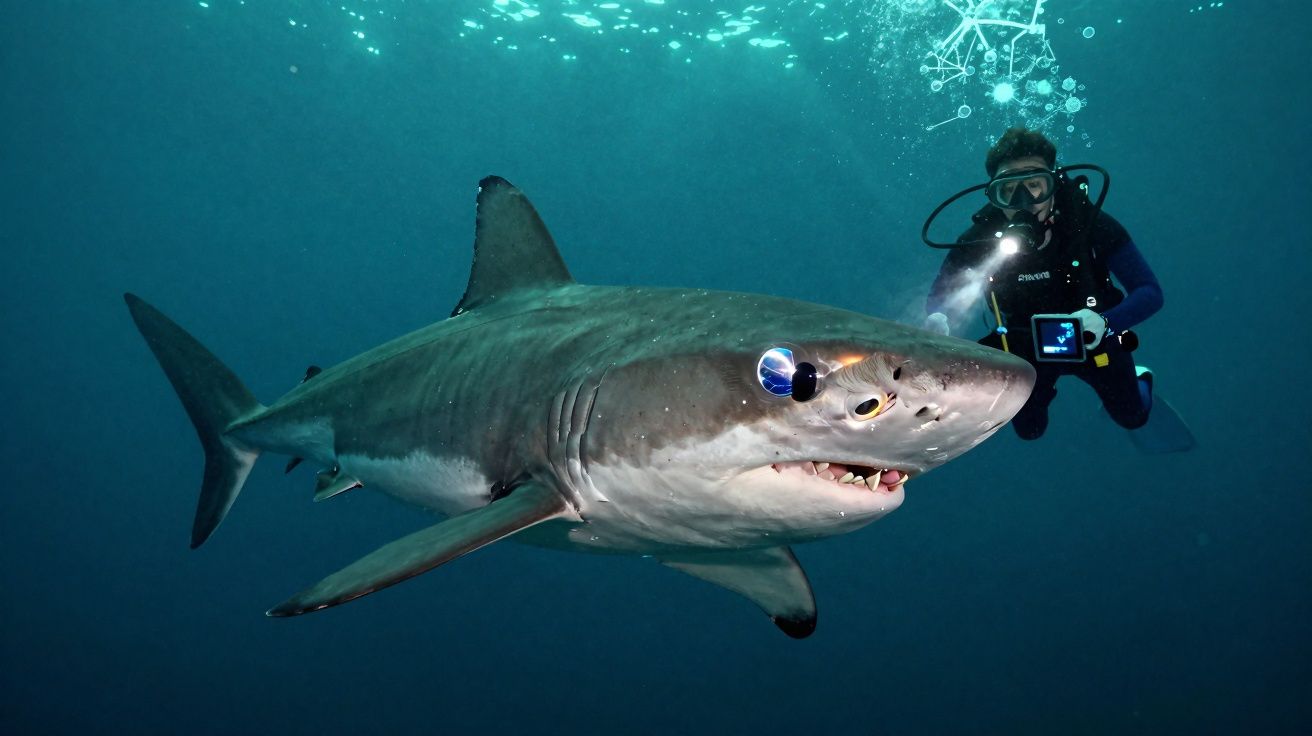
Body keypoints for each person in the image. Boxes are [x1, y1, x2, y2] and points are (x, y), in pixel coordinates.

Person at [923, 127, 1163, 440]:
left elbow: (1150, 292)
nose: (1024, 202)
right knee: (1029, 430)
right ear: (994, 194)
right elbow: (940, 298)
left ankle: (1141, 378)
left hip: (1096, 340)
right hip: (1025, 347)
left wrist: (1107, 323)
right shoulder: (978, 241)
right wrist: (939, 319)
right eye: (1009, 190)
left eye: (1035, 185)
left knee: (1133, 417)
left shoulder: (1089, 223)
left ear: (1053, 183)